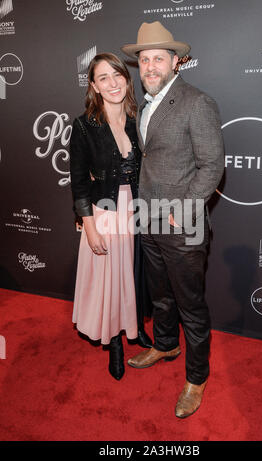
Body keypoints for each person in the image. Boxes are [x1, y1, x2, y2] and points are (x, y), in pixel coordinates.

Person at [121, 22, 224, 417]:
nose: (149, 65)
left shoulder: (196, 102)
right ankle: (165, 344)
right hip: (149, 220)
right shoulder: (145, 103)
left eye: (158, 58)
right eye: (144, 59)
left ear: (176, 62)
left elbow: (212, 165)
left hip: (183, 226)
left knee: (191, 306)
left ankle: (196, 379)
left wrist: (183, 212)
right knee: (161, 296)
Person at [70, 52, 152, 381]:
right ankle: (115, 340)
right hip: (105, 211)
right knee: (110, 280)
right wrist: (89, 227)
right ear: (94, 86)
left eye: (117, 75)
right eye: (103, 78)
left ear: (126, 79)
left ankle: (134, 329)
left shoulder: (138, 119)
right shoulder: (84, 125)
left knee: (133, 275)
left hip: (138, 209)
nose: (112, 82)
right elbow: (78, 182)